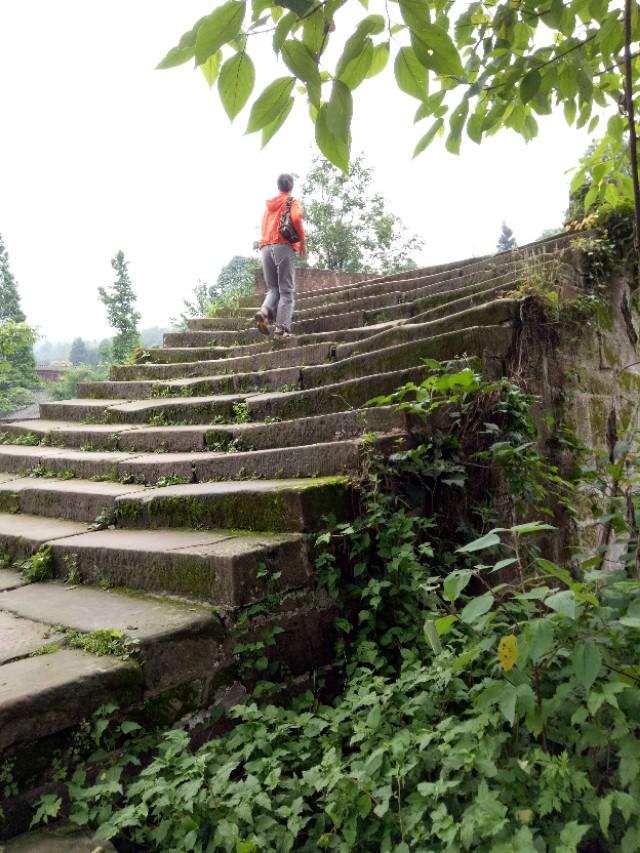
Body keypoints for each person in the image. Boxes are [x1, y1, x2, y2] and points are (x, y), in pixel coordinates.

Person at [254, 173, 306, 337]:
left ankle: (264, 311)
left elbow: (263, 228)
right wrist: (302, 242)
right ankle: (281, 329)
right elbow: (297, 218)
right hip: (283, 246)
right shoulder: (291, 202)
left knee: (273, 289)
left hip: (265, 248)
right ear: (291, 187)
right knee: (286, 291)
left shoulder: (269, 206)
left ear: (278, 186)